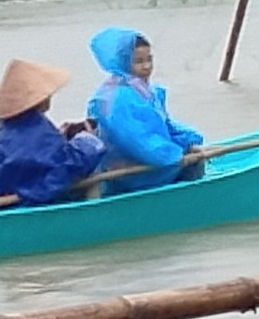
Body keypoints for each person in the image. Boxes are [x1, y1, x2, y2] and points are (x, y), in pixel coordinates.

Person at [86, 26, 204, 195]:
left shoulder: (146, 91)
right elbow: (138, 141)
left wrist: (190, 141)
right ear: (124, 62)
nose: (147, 66)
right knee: (194, 164)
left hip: (150, 159)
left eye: (149, 59)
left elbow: (166, 125)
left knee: (195, 153)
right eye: (139, 62)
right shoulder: (118, 99)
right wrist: (176, 156)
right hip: (131, 172)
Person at [0, 59, 105, 210]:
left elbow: (45, 155)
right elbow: (68, 166)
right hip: (27, 204)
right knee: (90, 175)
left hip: (7, 199)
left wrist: (60, 137)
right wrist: (88, 139)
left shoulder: (8, 127)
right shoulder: (35, 129)